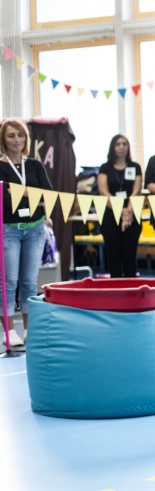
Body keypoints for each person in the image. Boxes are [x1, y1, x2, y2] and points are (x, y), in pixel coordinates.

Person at [0, 119, 53, 348]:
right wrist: (27, 193)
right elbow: (3, 199)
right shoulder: (1, 166)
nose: (17, 140)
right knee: (9, 282)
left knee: (30, 282)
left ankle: (30, 329)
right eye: (11, 135)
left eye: (20, 135)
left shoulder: (34, 165)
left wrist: (16, 192)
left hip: (35, 229)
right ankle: (9, 331)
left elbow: (47, 193)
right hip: (9, 229)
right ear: (3, 140)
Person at [97, 135, 143, 278]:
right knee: (114, 255)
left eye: (124, 144)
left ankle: (131, 287)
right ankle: (115, 287)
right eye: (118, 144)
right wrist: (120, 211)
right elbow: (103, 192)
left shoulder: (135, 167)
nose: (121, 147)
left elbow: (136, 190)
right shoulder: (105, 168)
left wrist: (128, 211)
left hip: (131, 212)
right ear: (113, 147)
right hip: (110, 214)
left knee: (130, 255)